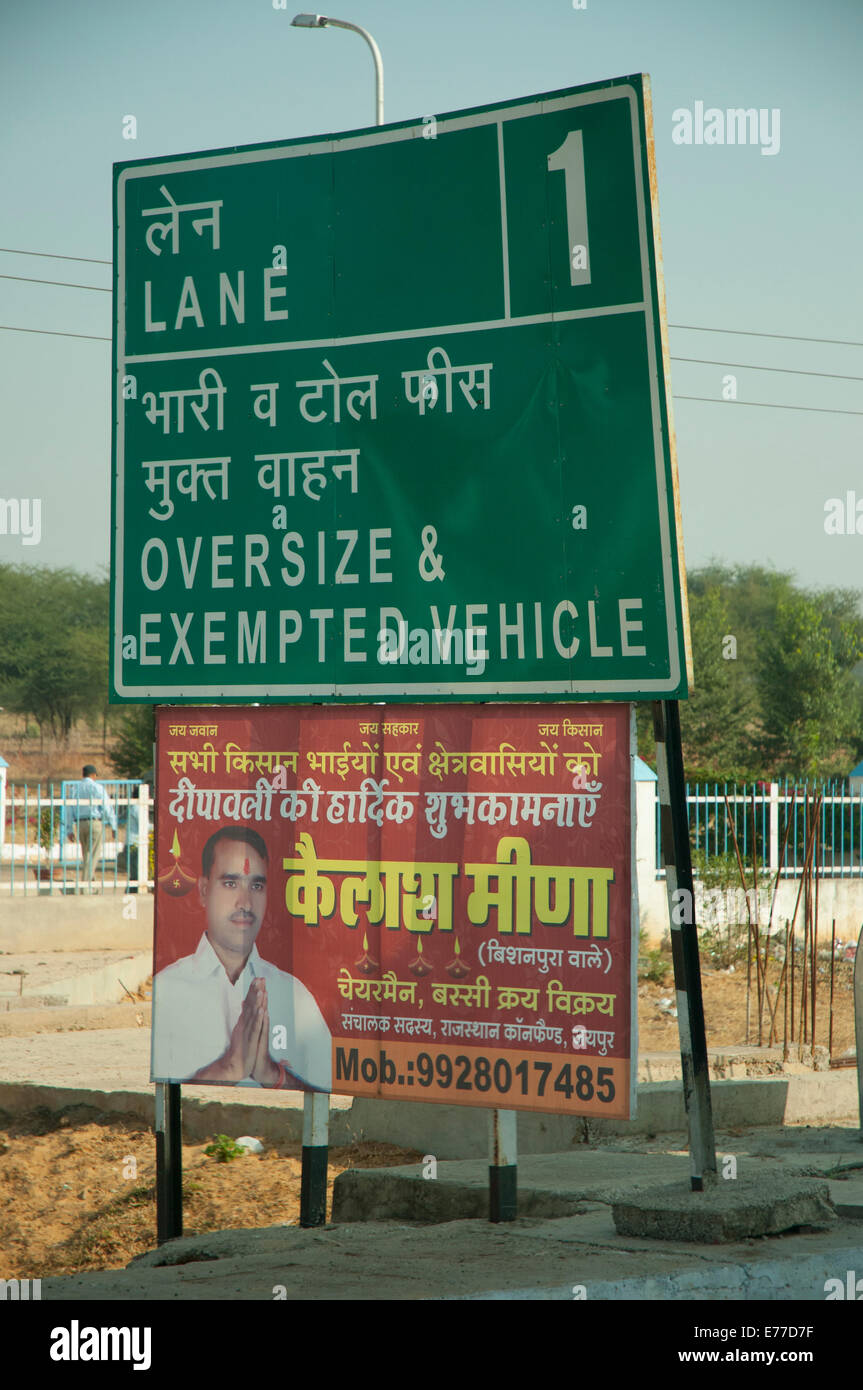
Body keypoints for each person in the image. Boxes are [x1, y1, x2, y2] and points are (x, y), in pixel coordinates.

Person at [151, 825, 332, 1090]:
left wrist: (272, 1075)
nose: (245, 903)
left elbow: (329, 1096)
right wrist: (229, 1067)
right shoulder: (168, 988)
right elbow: (166, 1107)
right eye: (231, 883)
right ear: (203, 890)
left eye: (256, 885)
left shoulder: (293, 993)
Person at [63, 765, 117, 894]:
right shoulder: (97, 788)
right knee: (93, 855)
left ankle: (92, 885)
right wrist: (113, 825)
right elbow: (107, 807)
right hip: (94, 822)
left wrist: (69, 829)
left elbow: (70, 809)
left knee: (87, 854)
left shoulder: (75, 788)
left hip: (80, 824)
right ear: (94, 775)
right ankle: (85, 885)